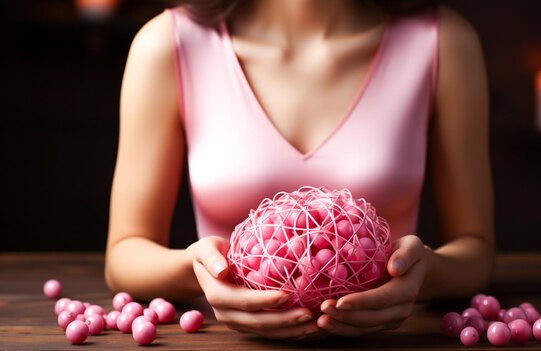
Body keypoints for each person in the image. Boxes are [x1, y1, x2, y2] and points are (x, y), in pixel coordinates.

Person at [105, 0, 494, 340]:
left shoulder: (443, 41)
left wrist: (424, 272)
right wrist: (200, 272)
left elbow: (475, 249)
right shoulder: (167, 44)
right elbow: (124, 255)